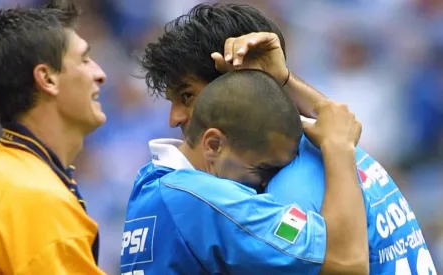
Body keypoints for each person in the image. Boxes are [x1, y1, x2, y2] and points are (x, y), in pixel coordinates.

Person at [138, 3, 436, 274]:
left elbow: (346, 267)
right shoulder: (336, 143)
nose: (174, 118)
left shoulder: (288, 193)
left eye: (187, 96)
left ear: (239, 86)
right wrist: (284, 79)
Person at [121, 69, 367, 274]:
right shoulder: (204, 200)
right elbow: (348, 262)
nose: (268, 182)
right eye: (264, 169)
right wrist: (339, 146)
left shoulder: (150, 183)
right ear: (214, 145)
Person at [0, 1, 107, 274]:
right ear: (47, 79)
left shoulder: (3, 173)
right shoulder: (35, 197)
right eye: (84, 60)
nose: (100, 74)